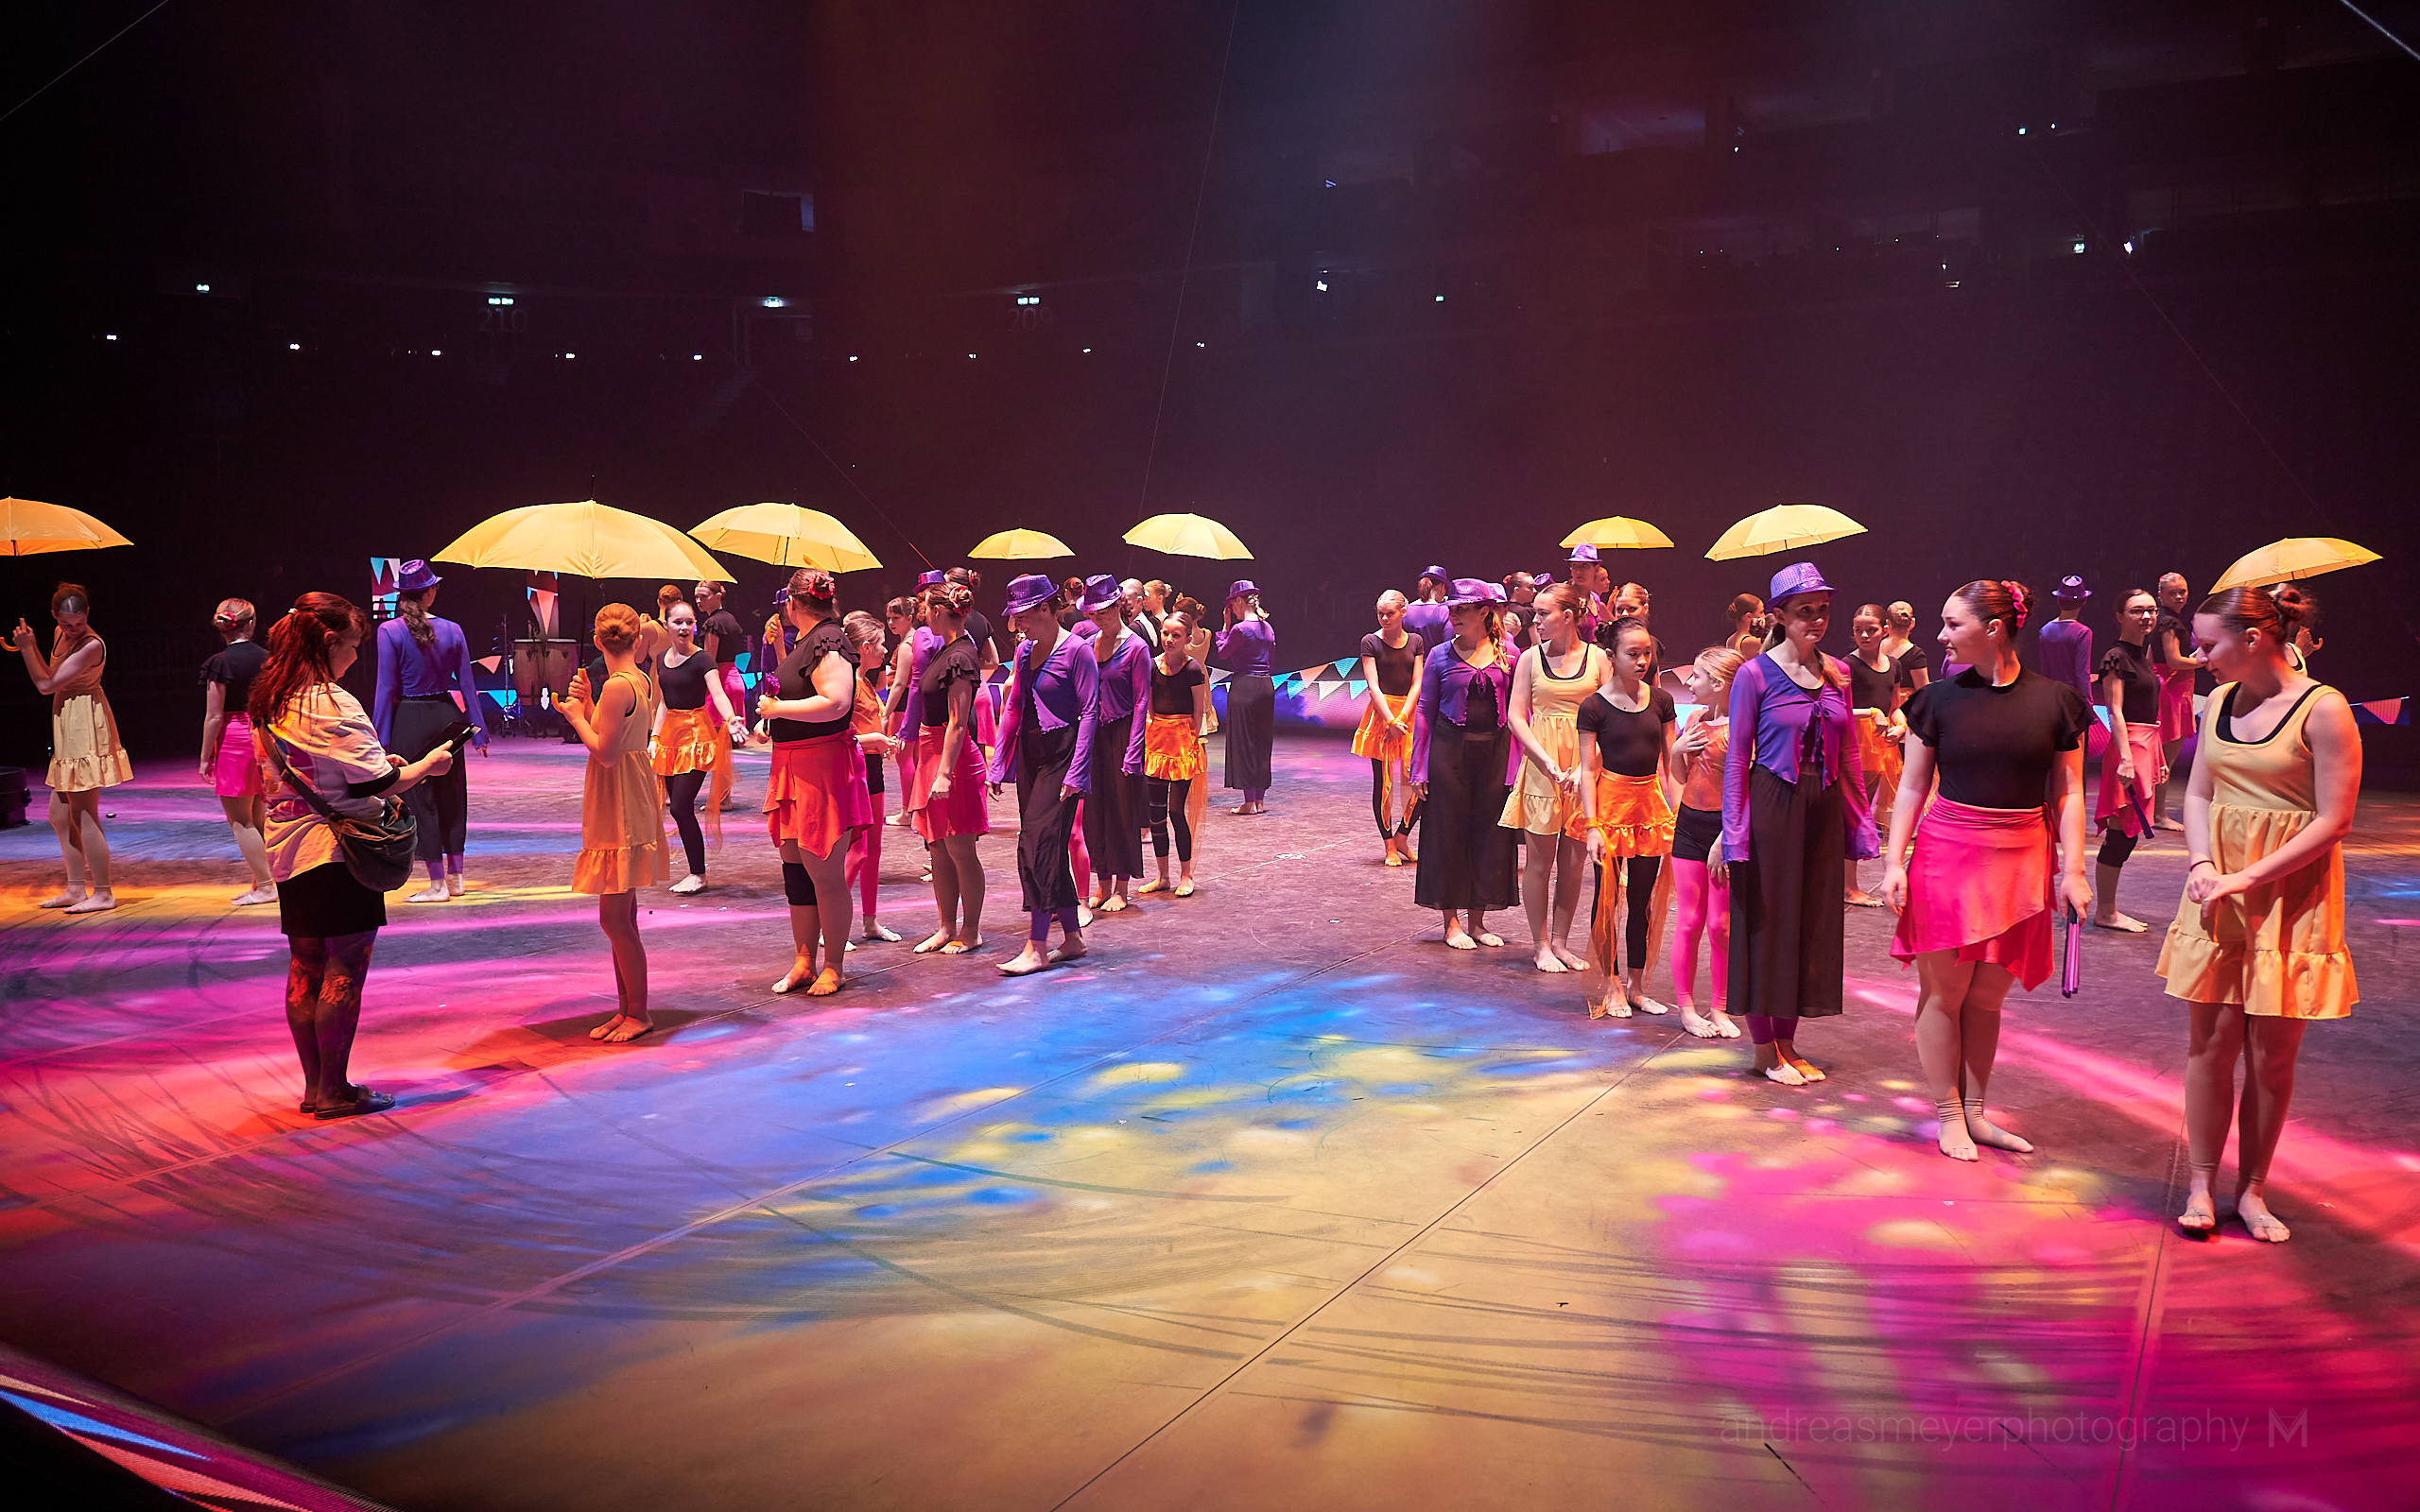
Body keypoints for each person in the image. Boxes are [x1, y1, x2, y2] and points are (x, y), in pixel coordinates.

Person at [2157, 584, 2356, 1241]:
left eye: (2207, 645)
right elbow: (2197, 794)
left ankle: (2253, 1190)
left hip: (2290, 896)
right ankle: (2201, 1184)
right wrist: (2200, 863)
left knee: (2271, 1057)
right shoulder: (2217, 701)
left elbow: (2334, 820)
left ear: (2253, 639)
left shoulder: (2323, 709)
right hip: (2217, 890)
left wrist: (2247, 876)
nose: (2198, 656)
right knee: (2210, 1045)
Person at [1881, 581, 2091, 1160]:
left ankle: (1975, 1113)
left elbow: (2070, 792)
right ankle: (1949, 1114)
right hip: (1948, 855)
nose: (1941, 636)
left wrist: (2074, 870)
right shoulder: (1936, 701)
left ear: (1993, 628)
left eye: (1953, 624)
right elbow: (1912, 787)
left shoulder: (2057, 702)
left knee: (1988, 999)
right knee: (1944, 993)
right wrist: (1894, 861)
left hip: (2022, 858)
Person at [251, 592, 455, 1117]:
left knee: (305, 966)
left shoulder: (270, 698)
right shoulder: (331, 703)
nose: (356, 655)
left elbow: (325, 771)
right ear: (327, 641)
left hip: (287, 847)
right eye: (351, 644)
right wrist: (427, 765)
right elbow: (379, 785)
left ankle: (315, 1086)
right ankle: (336, 1090)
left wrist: (378, 765)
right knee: (344, 967)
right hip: (336, 851)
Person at [1720, 563, 1876, 1085]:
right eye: (1805, 611)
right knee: (1769, 925)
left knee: (1809, 925)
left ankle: (1787, 1044)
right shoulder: (1754, 675)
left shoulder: (1839, 674)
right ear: (1780, 617)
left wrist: (1861, 822)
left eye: (1823, 610)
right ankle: (1764, 1050)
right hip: (1773, 805)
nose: (1816, 619)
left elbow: (1849, 755)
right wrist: (1734, 832)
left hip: (1822, 808)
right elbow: (1737, 759)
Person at [758, 568, 872, 997]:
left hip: (819, 767)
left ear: (792, 604)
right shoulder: (807, 641)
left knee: (823, 869)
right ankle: (804, 961)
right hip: (793, 764)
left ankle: (833, 966)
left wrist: (778, 710)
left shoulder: (829, 640)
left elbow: (836, 702)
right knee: (796, 869)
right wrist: (773, 721)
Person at [561, 605, 672, 1042]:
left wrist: (575, 716)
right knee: (622, 916)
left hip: (620, 798)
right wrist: (588, 703)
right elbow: (613, 733)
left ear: (597, 640)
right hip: (627, 792)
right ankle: (627, 1008)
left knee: (614, 919)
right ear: (635, 640)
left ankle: (638, 1012)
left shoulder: (617, 686)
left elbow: (605, 752)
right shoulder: (637, 679)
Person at [990, 574, 1097, 975]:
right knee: (1043, 845)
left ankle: (1036, 946)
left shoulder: (1077, 651)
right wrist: (999, 762)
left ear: (1047, 609)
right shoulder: (1024, 652)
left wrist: (1078, 771)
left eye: (1024, 615)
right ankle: (1072, 939)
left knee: (1036, 847)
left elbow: (1090, 712)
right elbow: (1014, 707)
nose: (1018, 624)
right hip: (1031, 756)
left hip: (1062, 755)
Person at [1501, 583, 1607, 974]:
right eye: (1536, 613)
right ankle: (1541, 945)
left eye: (1544, 613)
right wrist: (1545, 760)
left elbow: (1611, 718)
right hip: (1542, 767)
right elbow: (1516, 716)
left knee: (1574, 863)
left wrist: (1584, 766)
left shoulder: (1598, 659)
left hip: (1584, 769)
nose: (1537, 620)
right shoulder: (1530, 658)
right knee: (1539, 862)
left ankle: (1561, 942)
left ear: (1568, 616)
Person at [372, 560, 492, 903]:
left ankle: (437, 883)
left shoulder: (390, 631)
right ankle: (456, 878)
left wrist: (379, 738)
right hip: (447, 718)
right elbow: (467, 685)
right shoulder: (453, 630)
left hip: (410, 720)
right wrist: (479, 730)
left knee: (420, 802)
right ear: (430, 592)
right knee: (453, 797)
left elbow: (385, 688)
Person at [1578, 616, 1678, 1016]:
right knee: (1606, 899)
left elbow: (1671, 764)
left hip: (1648, 807)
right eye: (1632, 654)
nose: (1641, 661)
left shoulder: (1661, 701)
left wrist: (1678, 811)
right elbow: (1588, 769)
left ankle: (1637, 984)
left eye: (1646, 653)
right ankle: (1613, 983)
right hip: (1609, 808)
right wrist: (1591, 825)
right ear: (1612, 656)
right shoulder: (1594, 707)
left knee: (1642, 899)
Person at [1411, 580, 1519, 949]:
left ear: (1484, 612)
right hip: (1449, 753)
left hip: (1494, 753)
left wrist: (1517, 764)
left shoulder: (1509, 655)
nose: (1454, 616)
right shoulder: (1440, 655)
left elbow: (1520, 712)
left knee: (1489, 834)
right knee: (1449, 834)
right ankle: (1451, 922)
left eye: (1462, 610)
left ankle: (1478, 922)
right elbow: (1425, 710)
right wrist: (1419, 766)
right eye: (1452, 610)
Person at [12, 584, 130, 913]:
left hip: (84, 723)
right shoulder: (58, 633)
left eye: (79, 623)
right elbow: (52, 675)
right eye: (66, 624)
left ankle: (103, 892)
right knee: (59, 815)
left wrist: (27, 649)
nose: (73, 629)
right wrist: (33, 646)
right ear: (55, 617)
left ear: (88, 614)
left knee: (83, 813)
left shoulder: (92, 645)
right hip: (67, 718)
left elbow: (45, 684)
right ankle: (76, 888)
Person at [909, 581, 990, 954]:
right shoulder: (947, 650)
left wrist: (944, 772)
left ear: (939, 612)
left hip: (951, 758)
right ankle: (946, 926)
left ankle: (970, 930)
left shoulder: (961, 656)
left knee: (960, 848)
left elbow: (958, 722)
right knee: (938, 849)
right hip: (933, 753)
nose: (923, 615)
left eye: (926, 608)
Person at [1669, 648, 1744, 1039]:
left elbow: (1744, 789)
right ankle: (1686, 1007)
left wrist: (1724, 838)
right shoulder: (1696, 719)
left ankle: (1720, 1007)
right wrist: (1676, 751)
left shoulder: (1742, 728)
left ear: (1718, 683)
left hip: (1723, 829)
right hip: (1689, 825)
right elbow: (1681, 774)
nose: (1688, 682)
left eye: (1696, 676)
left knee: (1720, 925)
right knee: (1688, 921)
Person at [651, 600, 743, 895]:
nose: (684, 627)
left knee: (681, 806)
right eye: (678, 622)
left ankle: (698, 874)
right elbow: (663, 703)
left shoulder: (703, 659)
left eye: (689, 622)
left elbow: (718, 693)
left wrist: (730, 719)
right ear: (666, 625)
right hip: (670, 738)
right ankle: (696, 872)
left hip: (696, 736)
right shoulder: (661, 659)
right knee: (678, 809)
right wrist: (654, 738)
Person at [2092, 589, 2167, 932]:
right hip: (2130, 748)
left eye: (2151, 610)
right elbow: (2115, 710)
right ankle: (2106, 911)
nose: (2146, 616)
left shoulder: (2141, 656)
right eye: (2137, 611)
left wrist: (2159, 757)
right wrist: (2125, 758)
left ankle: (2108, 909)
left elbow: (2150, 712)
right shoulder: (2116, 657)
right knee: (2121, 834)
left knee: (2128, 833)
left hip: (2145, 746)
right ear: (2120, 617)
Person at [1080, 576, 1151, 912]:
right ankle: (1102, 883)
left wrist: (1134, 749)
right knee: (1095, 813)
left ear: (1117, 606)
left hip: (1123, 734)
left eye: (1104, 612)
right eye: (1094, 614)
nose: (1099, 619)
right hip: (1093, 734)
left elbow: (1141, 701)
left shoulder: (1136, 647)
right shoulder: (1088, 645)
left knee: (1122, 812)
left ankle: (1121, 887)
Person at [199, 597, 276, 906]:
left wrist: (205, 756)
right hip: (264, 736)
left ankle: (267, 885)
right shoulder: (269, 659)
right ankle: (261, 883)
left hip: (235, 741)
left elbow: (214, 716)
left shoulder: (219, 662)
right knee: (257, 817)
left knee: (241, 821)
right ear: (252, 624)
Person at [841, 610, 907, 942]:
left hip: (874, 769)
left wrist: (882, 743)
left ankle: (870, 921)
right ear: (866, 647)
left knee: (874, 851)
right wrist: (874, 740)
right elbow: (840, 737)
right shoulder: (848, 684)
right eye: (881, 644)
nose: (885, 650)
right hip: (856, 771)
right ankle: (831, 927)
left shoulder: (865, 681)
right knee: (859, 852)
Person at [1355, 591, 1426, 866]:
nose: (1385, 618)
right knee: (1383, 783)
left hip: (1409, 714)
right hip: (1382, 715)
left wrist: (1403, 717)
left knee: (1419, 781)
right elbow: (1373, 686)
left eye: (1390, 613)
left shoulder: (1416, 641)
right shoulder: (1370, 642)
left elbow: (1417, 683)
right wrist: (1390, 721)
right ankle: (1389, 846)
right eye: (1380, 614)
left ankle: (1402, 837)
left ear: (1403, 612)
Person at [1143, 607, 1210, 897]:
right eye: (1165, 633)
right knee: (1155, 814)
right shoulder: (1152, 665)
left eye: (1176, 635)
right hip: (1157, 741)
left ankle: (1186, 874)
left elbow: (1198, 709)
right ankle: (1162, 875)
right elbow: (1149, 704)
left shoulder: (1193, 669)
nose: (1169, 639)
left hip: (1182, 743)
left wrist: (1193, 741)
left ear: (1187, 639)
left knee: (1175, 811)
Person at [1842, 603, 1904, 908]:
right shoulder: (1847, 666)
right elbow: (1838, 708)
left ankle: (1848, 883)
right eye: (1858, 630)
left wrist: (1901, 725)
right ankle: (1848, 886)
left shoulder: (1893, 664)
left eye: (1871, 630)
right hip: (1854, 744)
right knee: (1853, 812)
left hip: (1880, 746)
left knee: (1865, 811)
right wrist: (1870, 712)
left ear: (1885, 630)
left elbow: (1895, 707)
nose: (1864, 636)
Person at [1216, 579, 1276, 815]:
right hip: (1266, 685)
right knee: (1262, 742)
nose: (1232, 610)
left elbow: (1222, 653)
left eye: (1232, 605)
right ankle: (1259, 801)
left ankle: (1249, 802)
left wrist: (1225, 627)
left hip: (1245, 686)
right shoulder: (1267, 627)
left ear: (1239, 601)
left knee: (1245, 743)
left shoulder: (1240, 629)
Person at [695, 579, 750, 814]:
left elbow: (708, 659)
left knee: (718, 747)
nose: (699, 601)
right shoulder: (729, 619)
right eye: (697, 597)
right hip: (733, 678)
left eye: (703, 596)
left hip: (721, 682)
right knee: (723, 747)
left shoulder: (714, 623)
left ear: (718, 596)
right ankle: (723, 797)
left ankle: (722, 798)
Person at [2152, 572, 2198, 831]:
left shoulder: (2163, 619)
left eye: (2183, 591)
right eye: (2173, 593)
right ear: (2161, 595)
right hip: (2172, 690)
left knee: (2160, 757)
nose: (2179, 596)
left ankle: (2154, 812)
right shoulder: (2169, 621)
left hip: (2170, 687)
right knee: (2164, 759)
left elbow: (2150, 658)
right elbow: (2173, 660)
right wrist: (2206, 660)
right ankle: (2159, 815)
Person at [2038, 576, 2095, 703]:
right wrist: (2088, 704)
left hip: (2053, 696)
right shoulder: (2082, 632)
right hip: (2072, 697)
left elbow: (2045, 670)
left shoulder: (2045, 630)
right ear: (2084, 601)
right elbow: (2082, 672)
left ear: (2058, 600)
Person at [1883, 600, 1932, 697]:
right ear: (1912, 623)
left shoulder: (1874, 649)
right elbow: (1924, 693)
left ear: (1888, 623)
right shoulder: (1915, 655)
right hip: (1904, 706)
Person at [1402, 566, 1452, 654]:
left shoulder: (1406, 610)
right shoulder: (1444, 612)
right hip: (1436, 661)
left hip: (1411, 662)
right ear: (1442, 586)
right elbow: (1448, 646)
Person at [1725, 593, 1768, 659]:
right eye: (1761, 612)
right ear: (1748, 616)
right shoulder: (1752, 641)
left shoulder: (1730, 640)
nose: (1764, 616)